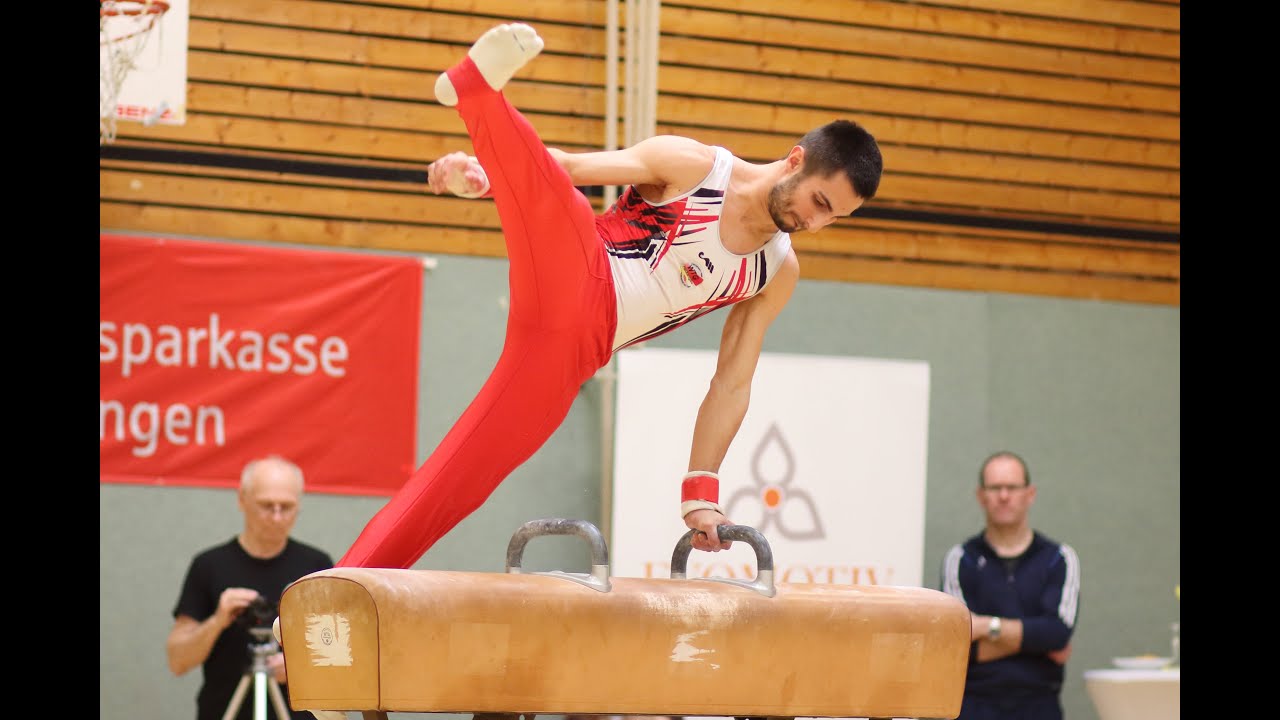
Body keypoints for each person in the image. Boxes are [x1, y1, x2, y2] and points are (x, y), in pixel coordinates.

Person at [331, 20, 883, 573]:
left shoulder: (776, 270)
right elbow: (568, 168)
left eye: (834, 216)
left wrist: (701, 492)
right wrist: (486, 174)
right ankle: (477, 93)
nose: (815, 221)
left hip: (571, 358)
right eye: (818, 200)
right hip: (582, 270)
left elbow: (732, 381)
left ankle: (340, 584)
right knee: (567, 207)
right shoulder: (695, 166)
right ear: (794, 160)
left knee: (464, 477)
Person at [168, 455, 334, 720]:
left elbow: (342, 656)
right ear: (242, 500)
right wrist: (217, 621)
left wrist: (300, 668)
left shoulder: (317, 566)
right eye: (266, 506)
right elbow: (177, 661)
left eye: (287, 507)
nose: (277, 517)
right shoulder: (209, 565)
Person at [940, 451, 1081, 720]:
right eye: (995, 488)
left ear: (1030, 494)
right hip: (973, 706)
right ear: (981, 496)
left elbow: (1056, 634)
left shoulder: (1059, 558)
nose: (1004, 496)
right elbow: (955, 647)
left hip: (1039, 706)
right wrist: (1033, 641)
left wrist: (984, 626)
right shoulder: (960, 559)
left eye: (1012, 487)